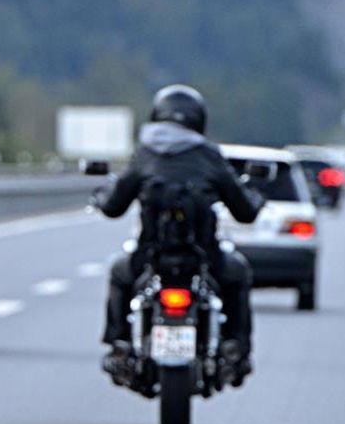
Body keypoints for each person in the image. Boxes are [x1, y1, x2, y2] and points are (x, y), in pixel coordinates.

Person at [96, 85, 264, 382]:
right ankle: (236, 348)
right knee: (238, 274)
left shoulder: (145, 154)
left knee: (119, 274)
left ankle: (119, 344)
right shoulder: (208, 155)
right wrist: (255, 197)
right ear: (199, 120)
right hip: (205, 259)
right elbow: (244, 211)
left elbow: (113, 206)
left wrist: (101, 195)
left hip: (149, 259)